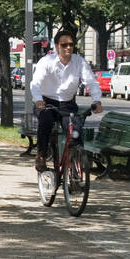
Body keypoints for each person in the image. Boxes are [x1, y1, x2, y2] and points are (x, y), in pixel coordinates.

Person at [30, 29, 103, 172]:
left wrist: (97, 100)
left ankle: (75, 168)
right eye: (64, 45)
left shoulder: (79, 62)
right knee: (45, 121)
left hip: (67, 105)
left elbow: (91, 82)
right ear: (57, 46)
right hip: (47, 102)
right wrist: (38, 100)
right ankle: (41, 155)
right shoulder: (46, 62)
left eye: (71, 44)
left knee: (75, 131)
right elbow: (35, 83)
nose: (68, 47)